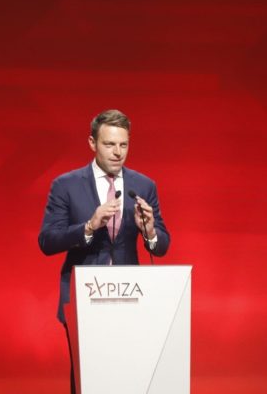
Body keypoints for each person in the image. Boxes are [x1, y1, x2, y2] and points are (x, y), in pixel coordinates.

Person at [38, 109, 170, 393]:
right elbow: (47, 241)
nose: (117, 152)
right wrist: (89, 226)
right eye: (109, 144)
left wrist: (149, 232)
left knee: (128, 380)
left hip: (131, 298)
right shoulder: (66, 185)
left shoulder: (143, 186)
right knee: (88, 382)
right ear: (92, 143)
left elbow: (162, 245)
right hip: (84, 299)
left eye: (123, 144)